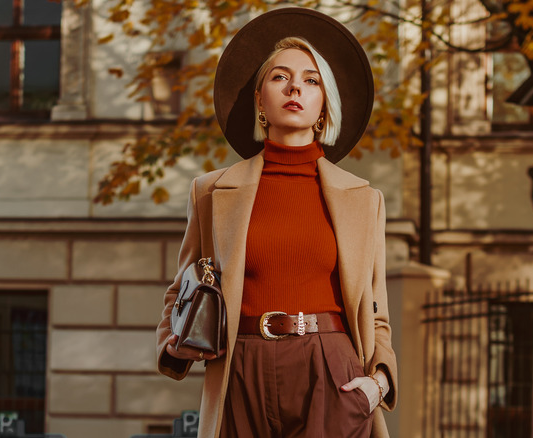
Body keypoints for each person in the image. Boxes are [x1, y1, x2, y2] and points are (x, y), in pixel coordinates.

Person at [155, 8, 397, 438]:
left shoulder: (363, 199)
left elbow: (375, 311)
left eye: (311, 80)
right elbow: (182, 286)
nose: (295, 89)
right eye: (280, 77)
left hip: (331, 372)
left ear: (324, 105)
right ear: (259, 99)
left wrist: (376, 386)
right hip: (239, 371)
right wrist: (173, 340)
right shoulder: (211, 191)